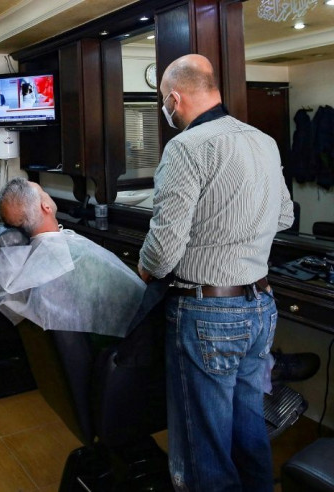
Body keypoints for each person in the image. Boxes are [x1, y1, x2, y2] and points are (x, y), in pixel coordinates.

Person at [137, 55, 294, 492]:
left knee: (203, 442)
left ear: (174, 98)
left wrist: (145, 266)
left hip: (207, 314)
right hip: (261, 308)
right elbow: (284, 216)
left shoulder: (186, 148)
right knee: (249, 429)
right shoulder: (263, 141)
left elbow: (164, 252)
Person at [0, 177, 145, 336]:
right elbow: (133, 299)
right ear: (45, 206)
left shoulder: (32, 256)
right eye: (44, 192)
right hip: (118, 337)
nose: (47, 194)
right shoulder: (71, 256)